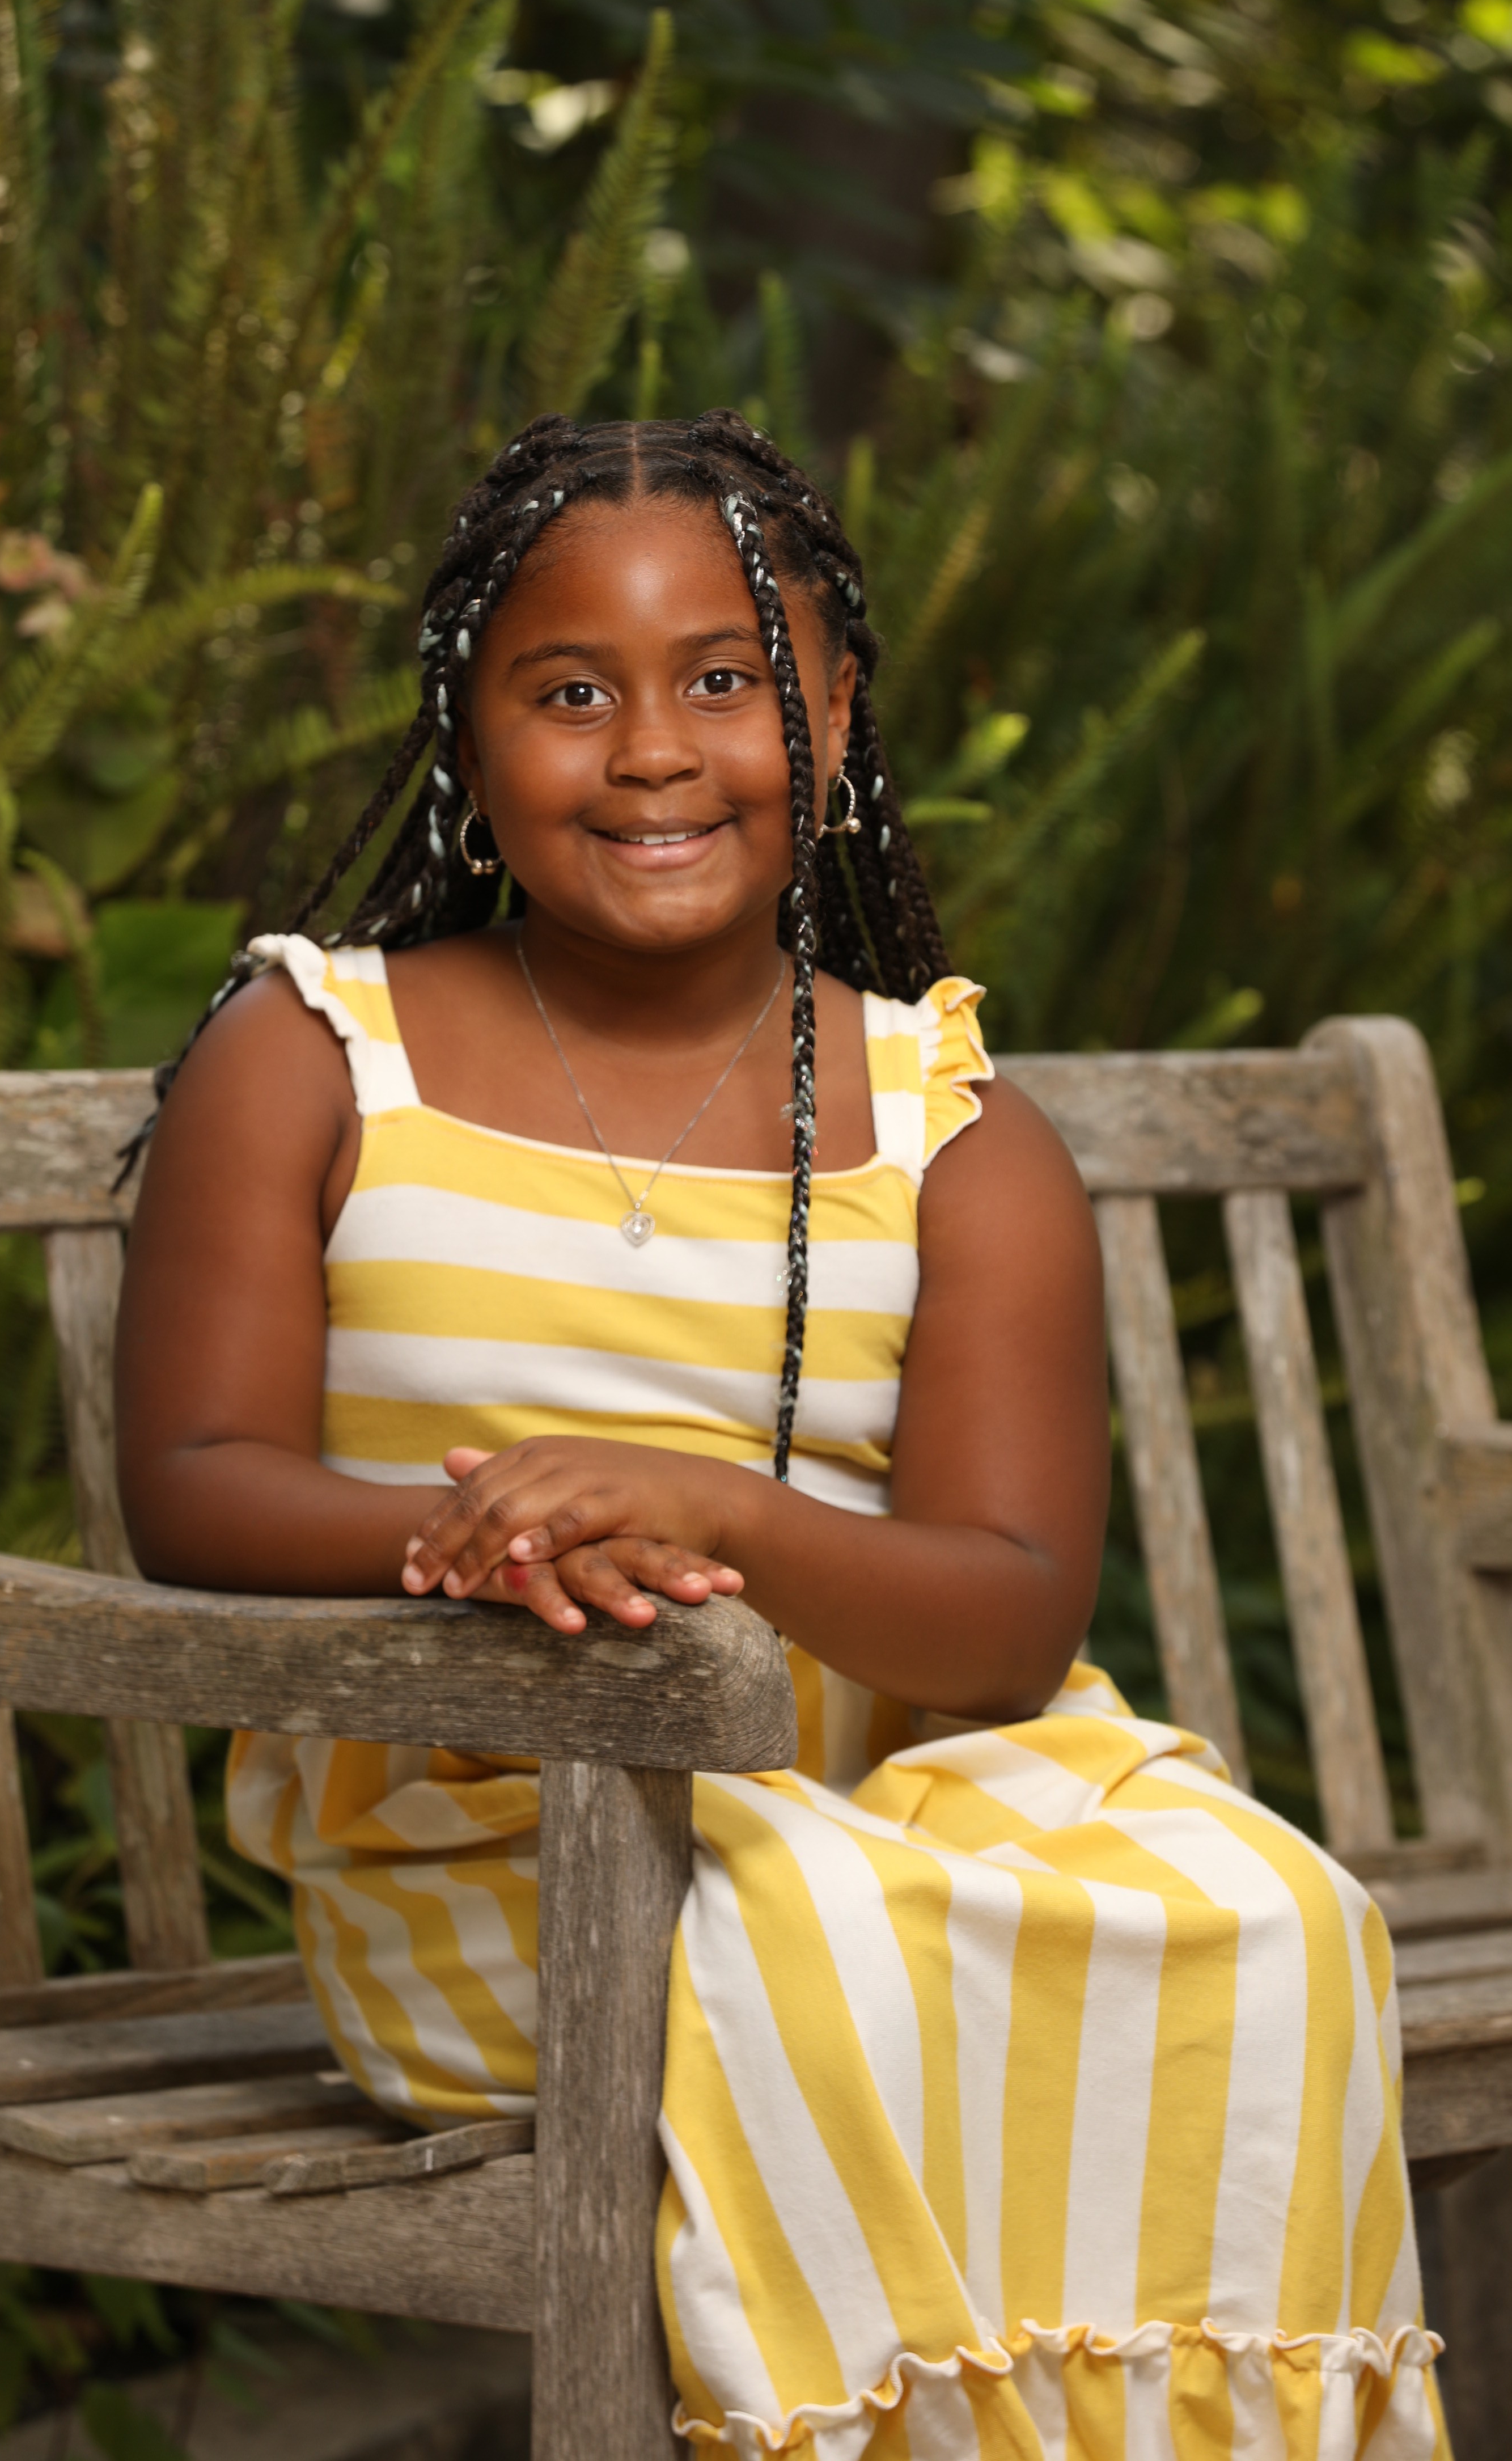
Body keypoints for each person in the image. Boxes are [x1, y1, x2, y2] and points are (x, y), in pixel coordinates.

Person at [115, 412, 1445, 2459]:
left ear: (830, 720)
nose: (654, 753)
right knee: (848, 1956)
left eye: (726, 681)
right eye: (572, 694)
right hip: (502, 1853)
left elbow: (1005, 1621)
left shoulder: (951, 1133)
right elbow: (194, 1486)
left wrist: (705, 1508)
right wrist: (493, 1541)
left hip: (897, 1804)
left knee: (1271, 1920)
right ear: (465, 730)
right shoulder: (313, 1059)